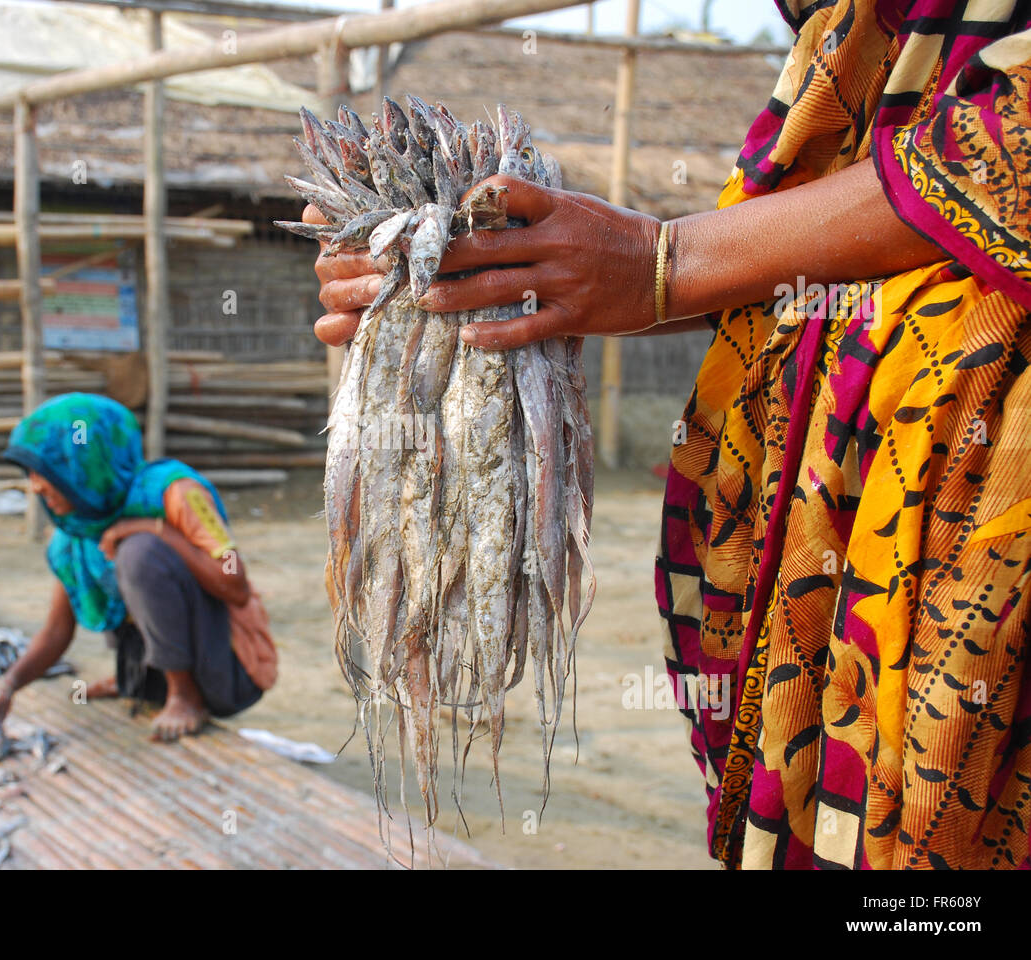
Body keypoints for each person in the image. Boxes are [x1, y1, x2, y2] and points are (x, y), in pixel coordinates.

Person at [308, 1, 1031, 869]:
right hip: (812, 551)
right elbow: (806, 266)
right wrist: (547, 274)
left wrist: (667, 256)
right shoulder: (845, 47)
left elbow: (1001, 160)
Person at [0, 393, 277, 744]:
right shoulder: (78, 529)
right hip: (156, 666)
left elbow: (234, 583)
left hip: (224, 664)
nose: (35, 485)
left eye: (46, 470)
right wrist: (6, 688)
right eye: (32, 472)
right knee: (104, 555)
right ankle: (137, 679)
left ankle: (184, 695)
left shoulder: (176, 492)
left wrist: (155, 530)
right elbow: (57, 630)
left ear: (85, 460)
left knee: (138, 555)